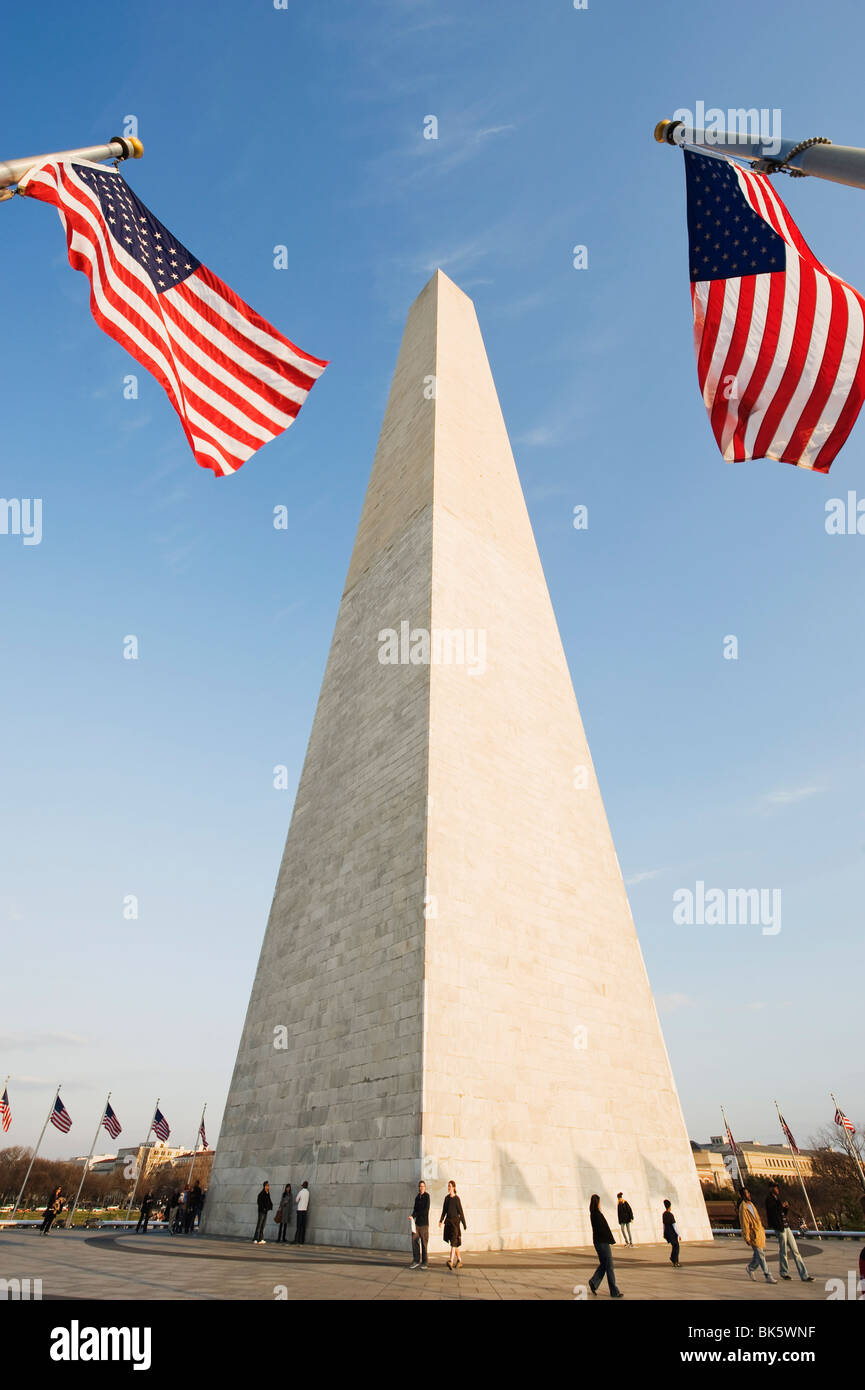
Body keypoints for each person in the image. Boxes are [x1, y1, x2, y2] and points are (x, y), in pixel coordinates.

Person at [765, 1184, 814, 1282]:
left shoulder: (777, 1199)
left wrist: (785, 1208)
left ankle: (804, 1275)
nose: (777, 1189)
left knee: (795, 1251)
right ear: (771, 1189)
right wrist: (781, 1206)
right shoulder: (769, 1200)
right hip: (780, 1228)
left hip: (786, 1226)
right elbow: (773, 1213)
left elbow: (781, 1213)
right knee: (783, 1251)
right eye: (775, 1188)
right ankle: (784, 1272)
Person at [739, 1188, 777, 1284]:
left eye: (748, 1192)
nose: (749, 1195)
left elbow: (757, 1218)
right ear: (742, 1196)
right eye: (747, 1193)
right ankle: (768, 1275)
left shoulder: (751, 1205)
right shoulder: (743, 1208)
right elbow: (744, 1223)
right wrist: (746, 1236)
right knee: (761, 1255)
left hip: (759, 1231)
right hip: (753, 1234)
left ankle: (750, 1268)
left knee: (758, 1255)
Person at [588, 1194, 623, 1297]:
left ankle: (594, 1282)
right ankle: (614, 1291)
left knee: (604, 1264)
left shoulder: (593, 1214)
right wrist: (610, 1240)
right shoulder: (597, 1214)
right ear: (597, 1203)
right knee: (609, 1266)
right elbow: (604, 1229)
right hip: (602, 1243)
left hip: (598, 1242)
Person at [439, 1180, 467, 1270]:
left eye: (450, 1186)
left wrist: (464, 1223)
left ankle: (450, 1260)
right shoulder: (446, 1198)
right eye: (448, 1186)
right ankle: (459, 1260)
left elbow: (461, 1212)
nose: (449, 1188)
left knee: (454, 1242)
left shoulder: (457, 1199)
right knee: (453, 1242)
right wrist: (440, 1220)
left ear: (454, 1188)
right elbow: (444, 1211)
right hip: (448, 1223)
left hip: (455, 1223)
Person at [410, 1180, 430, 1269]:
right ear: (418, 1188)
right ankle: (416, 1260)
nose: (421, 1188)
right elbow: (415, 1209)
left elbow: (425, 1210)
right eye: (420, 1186)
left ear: (425, 1188)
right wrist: (412, 1216)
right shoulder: (417, 1197)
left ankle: (425, 1262)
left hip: (424, 1224)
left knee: (424, 1243)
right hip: (417, 1224)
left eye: (423, 1186)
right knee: (414, 1241)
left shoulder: (427, 1196)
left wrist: (416, 1214)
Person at [662, 1199, 681, 1267]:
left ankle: (674, 1259)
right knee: (676, 1247)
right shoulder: (670, 1215)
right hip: (672, 1233)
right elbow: (674, 1225)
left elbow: (663, 1224)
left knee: (674, 1246)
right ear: (669, 1207)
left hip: (667, 1233)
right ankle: (675, 1261)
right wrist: (679, 1234)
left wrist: (664, 1233)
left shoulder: (664, 1214)